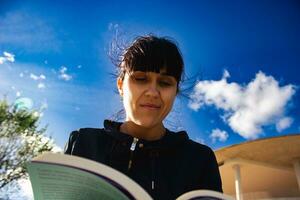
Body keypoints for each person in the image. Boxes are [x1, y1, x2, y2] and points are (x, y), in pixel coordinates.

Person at [64, 35, 222, 200]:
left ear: (176, 91)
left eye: (165, 83)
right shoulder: (82, 144)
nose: (153, 92)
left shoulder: (199, 160)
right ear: (120, 86)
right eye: (140, 79)